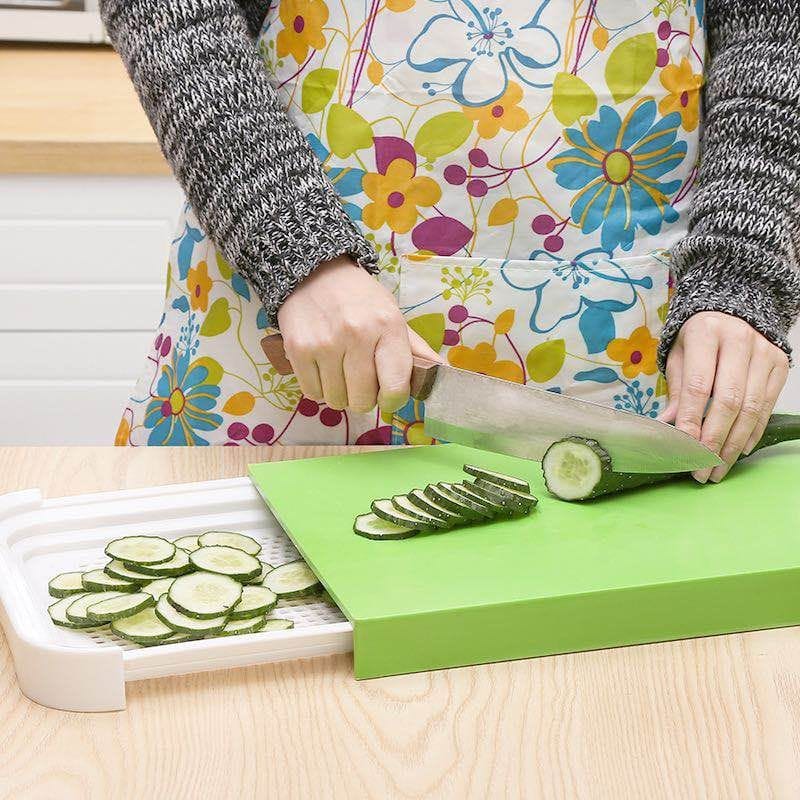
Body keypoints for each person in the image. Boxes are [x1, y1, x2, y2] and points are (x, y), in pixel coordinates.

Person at [103, 0, 798, 484]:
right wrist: (297, 253)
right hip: (290, 314)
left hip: (622, 341)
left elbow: (776, 26)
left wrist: (742, 275)